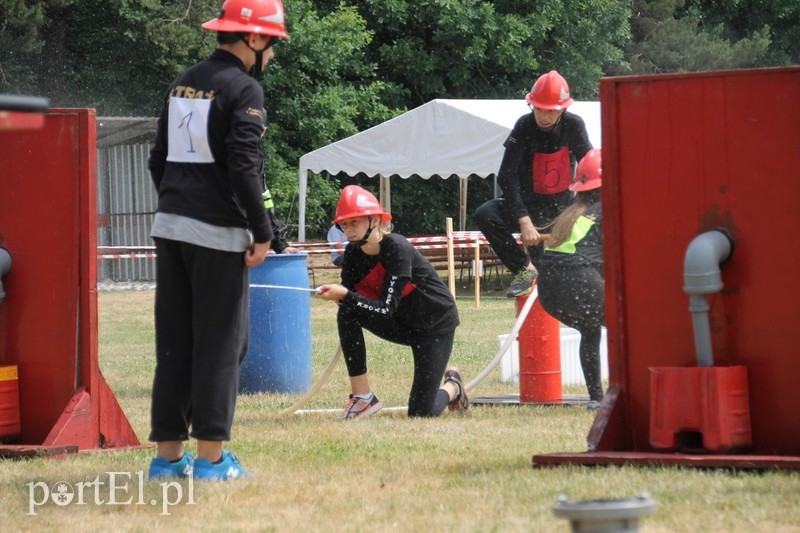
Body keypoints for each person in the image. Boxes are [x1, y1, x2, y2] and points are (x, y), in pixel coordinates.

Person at [146, 0, 289, 481]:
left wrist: (178, 206)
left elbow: (158, 159)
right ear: (254, 39)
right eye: (272, 44)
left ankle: (166, 460)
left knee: (175, 343)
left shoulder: (183, 80)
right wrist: (263, 231)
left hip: (170, 227)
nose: (272, 55)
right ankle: (211, 462)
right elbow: (243, 166)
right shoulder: (243, 88)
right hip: (217, 235)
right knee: (221, 344)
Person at [316, 185, 469, 419]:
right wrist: (341, 297)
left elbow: (385, 308)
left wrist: (345, 296)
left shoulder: (397, 248)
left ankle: (453, 387)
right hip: (401, 322)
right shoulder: (352, 256)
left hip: (434, 327)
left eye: (354, 222)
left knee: (421, 413)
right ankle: (362, 398)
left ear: (375, 220)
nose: (348, 230)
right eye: (344, 225)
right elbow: (355, 302)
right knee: (347, 312)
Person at [474, 70, 593, 298]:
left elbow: (588, 168)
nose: (544, 116)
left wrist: (582, 209)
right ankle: (523, 269)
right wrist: (523, 220)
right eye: (539, 109)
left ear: (563, 109)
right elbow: (506, 175)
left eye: (550, 111)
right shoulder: (524, 126)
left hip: (561, 210)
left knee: (556, 282)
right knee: (485, 214)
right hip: (528, 208)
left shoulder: (575, 125)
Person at [537, 149, 604, 408]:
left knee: (590, 329)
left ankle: (596, 398)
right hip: (578, 282)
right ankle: (624, 393)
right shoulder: (606, 209)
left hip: (549, 292)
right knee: (626, 330)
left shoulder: (572, 212)